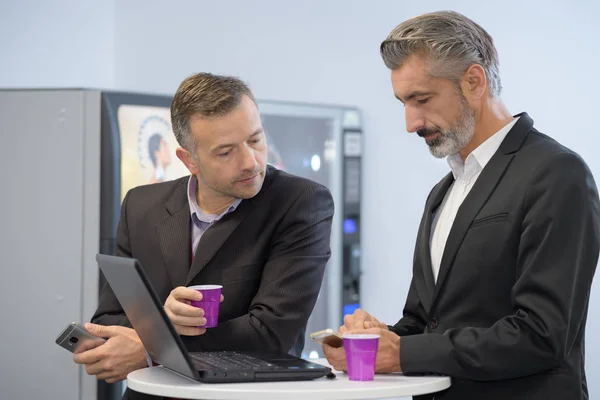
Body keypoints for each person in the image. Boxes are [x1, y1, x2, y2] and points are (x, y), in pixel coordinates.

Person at [323, 10, 599, 400]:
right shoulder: (442, 192)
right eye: (403, 102)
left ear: (474, 81)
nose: (410, 122)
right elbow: (424, 324)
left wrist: (401, 353)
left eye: (421, 99)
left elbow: (542, 334)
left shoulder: (556, 173)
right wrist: (377, 340)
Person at [73, 73, 335, 395]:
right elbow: (112, 318)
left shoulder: (300, 203)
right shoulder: (141, 206)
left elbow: (272, 333)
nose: (250, 162)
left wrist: (152, 344)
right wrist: (159, 325)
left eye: (255, 139)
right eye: (225, 152)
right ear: (188, 160)